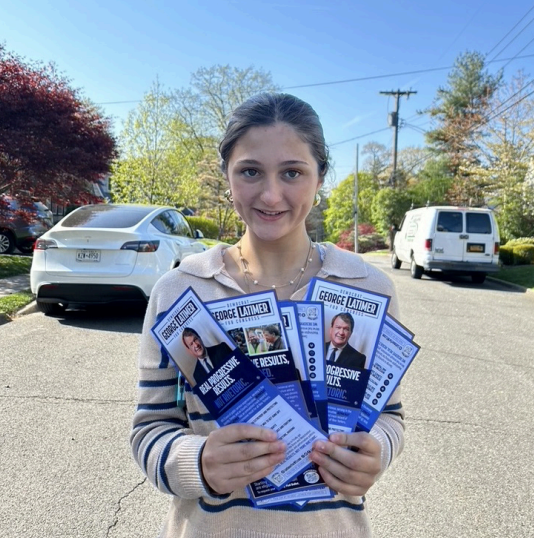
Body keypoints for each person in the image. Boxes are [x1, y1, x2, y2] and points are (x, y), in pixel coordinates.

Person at [131, 93, 405, 538]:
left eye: (292, 172)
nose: (271, 194)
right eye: (251, 171)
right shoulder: (179, 292)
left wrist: (379, 451)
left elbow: (389, 414)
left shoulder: (368, 289)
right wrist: (196, 464)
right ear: (228, 177)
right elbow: (150, 429)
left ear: (320, 180)